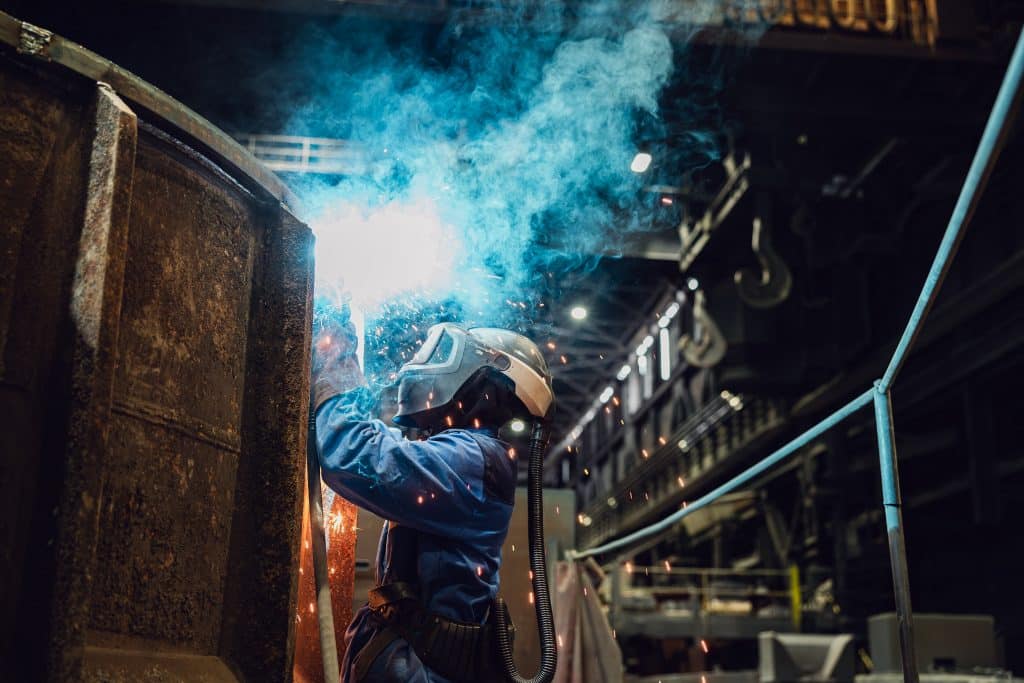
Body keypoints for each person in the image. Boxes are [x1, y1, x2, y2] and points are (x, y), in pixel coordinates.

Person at [311, 318, 555, 682]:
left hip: (422, 670)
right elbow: (380, 445)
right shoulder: (458, 453)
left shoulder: (472, 459)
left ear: (484, 381)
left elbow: (353, 454)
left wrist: (337, 363)